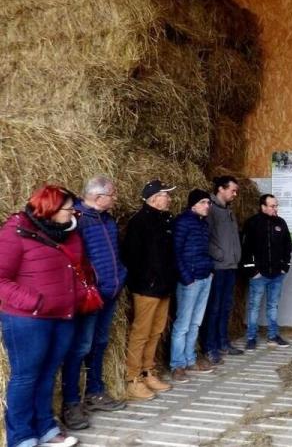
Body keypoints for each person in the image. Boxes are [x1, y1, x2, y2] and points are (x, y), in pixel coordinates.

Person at [0, 185, 83, 447]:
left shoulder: (68, 233)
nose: (73, 214)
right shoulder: (16, 231)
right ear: (50, 209)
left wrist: (76, 297)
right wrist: (34, 302)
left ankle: (46, 428)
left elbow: (75, 268)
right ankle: (21, 436)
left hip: (63, 316)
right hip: (27, 319)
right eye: (69, 209)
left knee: (48, 374)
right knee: (26, 376)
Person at [61, 176, 128, 430]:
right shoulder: (77, 221)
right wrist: (90, 288)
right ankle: (70, 402)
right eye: (112, 195)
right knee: (80, 347)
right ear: (98, 197)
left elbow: (114, 254)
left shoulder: (107, 220)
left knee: (99, 344)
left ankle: (95, 392)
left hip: (109, 293)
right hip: (90, 297)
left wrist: (120, 276)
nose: (115, 199)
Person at [122, 180, 178, 400]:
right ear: (154, 198)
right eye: (166, 195)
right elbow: (131, 257)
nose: (170, 199)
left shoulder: (164, 220)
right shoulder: (140, 222)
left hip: (163, 287)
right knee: (141, 333)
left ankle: (148, 371)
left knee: (156, 331)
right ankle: (132, 378)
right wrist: (148, 280)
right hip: (147, 288)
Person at [170, 190, 216, 383]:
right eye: (204, 202)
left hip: (204, 276)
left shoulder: (202, 223)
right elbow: (175, 252)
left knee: (195, 322)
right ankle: (177, 364)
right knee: (183, 324)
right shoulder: (183, 222)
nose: (208, 206)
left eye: (208, 202)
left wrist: (209, 270)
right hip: (191, 280)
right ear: (193, 204)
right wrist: (187, 277)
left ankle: (190, 359)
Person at [241, 194, 292, 351]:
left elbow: (287, 246)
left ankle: (273, 335)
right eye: (272, 206)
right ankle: (251, 338)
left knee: (273, 306)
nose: (275, 208)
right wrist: (253, 271)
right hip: (259, 275)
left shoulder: (280, 223)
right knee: (254, 306)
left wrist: (285, 267)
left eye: (276, 206)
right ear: (263, 207)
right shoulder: (252, 223)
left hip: (277, 274)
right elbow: (245, 249)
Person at [202, 176, 243, 365]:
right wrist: (219, 255)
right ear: (221, 189)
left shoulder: (229, 211)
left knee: (226, 307)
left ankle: (223, 342)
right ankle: (210, 347)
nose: (235, 194)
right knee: (214, 307)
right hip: (218, 267)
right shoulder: (210, 209)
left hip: (230, 266)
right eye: (232, 190)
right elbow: (205, 237)